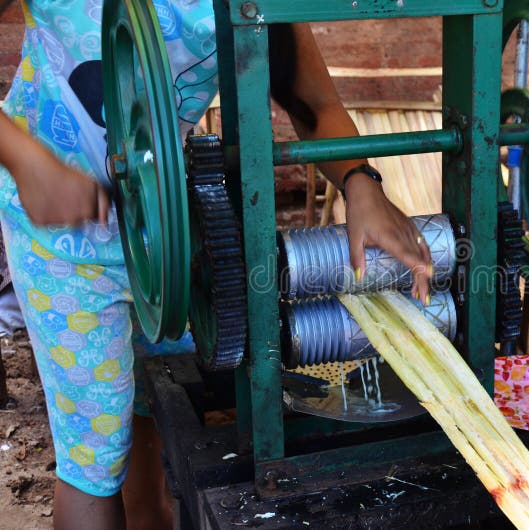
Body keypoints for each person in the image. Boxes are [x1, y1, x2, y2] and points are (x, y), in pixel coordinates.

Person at [0, 2, 432, 528]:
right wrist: (25, 160)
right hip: (59, 243)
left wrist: (362, 184)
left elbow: (312, 102)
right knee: (92, 464)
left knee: (152, 411)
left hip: (166, 242)